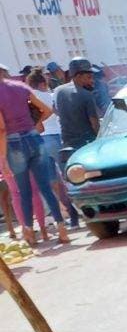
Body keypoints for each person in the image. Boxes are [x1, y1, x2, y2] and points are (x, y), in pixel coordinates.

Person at [0, 64, 69, 244]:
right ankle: (62, 230)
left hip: (13, 144)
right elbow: (47, 110)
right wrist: (33, 125)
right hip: (34, 138)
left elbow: (1, 129)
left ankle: (30, 233)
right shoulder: (22, 87)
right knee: (45, 187)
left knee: (24, 191)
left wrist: (2, 158)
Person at [26, 66, 76, 228]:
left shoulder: (31, 98)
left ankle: (64, 215)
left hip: (44, 139)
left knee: (53, 181)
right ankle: (76, 214)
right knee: (69, 177)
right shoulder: (53, 95)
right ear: (42, 83)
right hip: (60, 136)